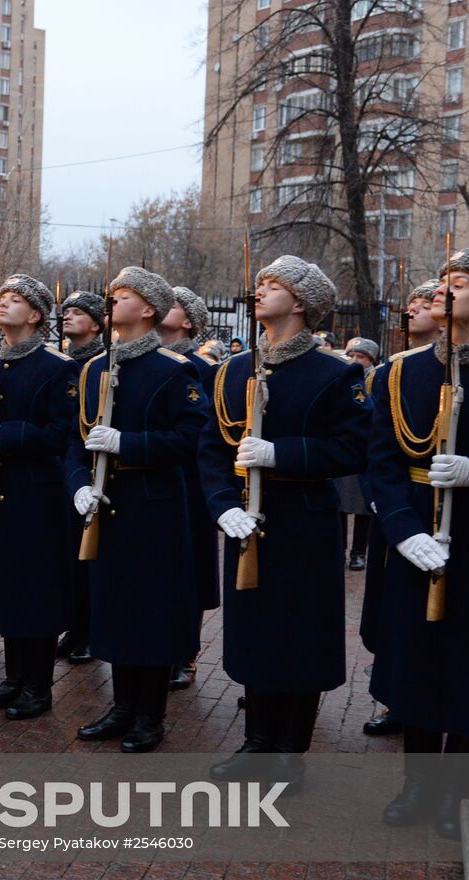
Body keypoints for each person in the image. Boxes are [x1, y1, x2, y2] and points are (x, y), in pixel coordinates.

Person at [366, 249, 469, 840]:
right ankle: (416, 785)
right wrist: (404, 533)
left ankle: (454, 794)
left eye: (457, 284)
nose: (442, 290)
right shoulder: (400, 372)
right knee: (416, 663)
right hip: (415, 540)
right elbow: (380, 462)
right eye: (440, 281)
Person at [199, 255, 367, 787]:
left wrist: (282, 453)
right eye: (261, 282)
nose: (259, 290)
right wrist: (223, 504)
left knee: (298, 634)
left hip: (302, 521)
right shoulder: (232, 369)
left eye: (272, 285)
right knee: (254, 632)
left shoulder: (336, 374)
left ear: (300, 303)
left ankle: (290, 749)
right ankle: (257, 741)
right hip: (243, 520)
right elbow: (211, 447)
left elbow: (352, 448)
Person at [72, 270, 206, 752]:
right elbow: (76, 442)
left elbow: (191, 440)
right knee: (115, 608)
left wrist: (129, 444)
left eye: (122, 296)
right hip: (105, 503)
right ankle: (122, 706)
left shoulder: (173, 370)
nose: (112, 301)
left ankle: (150, 715)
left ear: (148, 308)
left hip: (153, 508)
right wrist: (79, 487)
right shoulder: (92, 369)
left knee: (150, 613)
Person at [0, 274, 76, 720]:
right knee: (5, 586)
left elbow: (61, 435)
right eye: (1, 300)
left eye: (14, 301)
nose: (2, 306)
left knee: (36, 591)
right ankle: (13, 679)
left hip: (37, 495)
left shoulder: (57, 365)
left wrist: (7, 434)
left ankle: (38, 686)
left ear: (37, 314)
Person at [360, 281, 441, 739]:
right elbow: (377, 444)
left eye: (425, 302)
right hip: (401, 507)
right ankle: (396, 698)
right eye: (411, 302)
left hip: (447, 501)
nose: (413, 309)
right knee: (392, 611)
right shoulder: (393, 371)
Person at [159, 285, 220, 691]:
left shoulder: (206, 368)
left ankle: (186, 653)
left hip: (191, 479)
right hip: (152, 476)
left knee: (193, 566)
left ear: (189, 322)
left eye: (175, 305)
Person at [56, 290, 109, 665]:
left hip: (93, 466)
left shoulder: (103, 363)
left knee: (91, 556)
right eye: (66, 312)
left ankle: (91, 630)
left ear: (96, 323)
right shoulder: (60, 362)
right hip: (64, 465)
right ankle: (74, 626)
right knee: (68, 557)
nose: (68, 317)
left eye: (77, 313)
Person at [339, 336, 381, 572]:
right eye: (351, 355)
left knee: (363, 504)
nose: (355, 361)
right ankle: (340, 548)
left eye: (361, 357)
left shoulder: (377, 379)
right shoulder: (339, 378)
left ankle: (359, 551)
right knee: (340, 502)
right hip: (344, 447)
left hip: (367, 450)